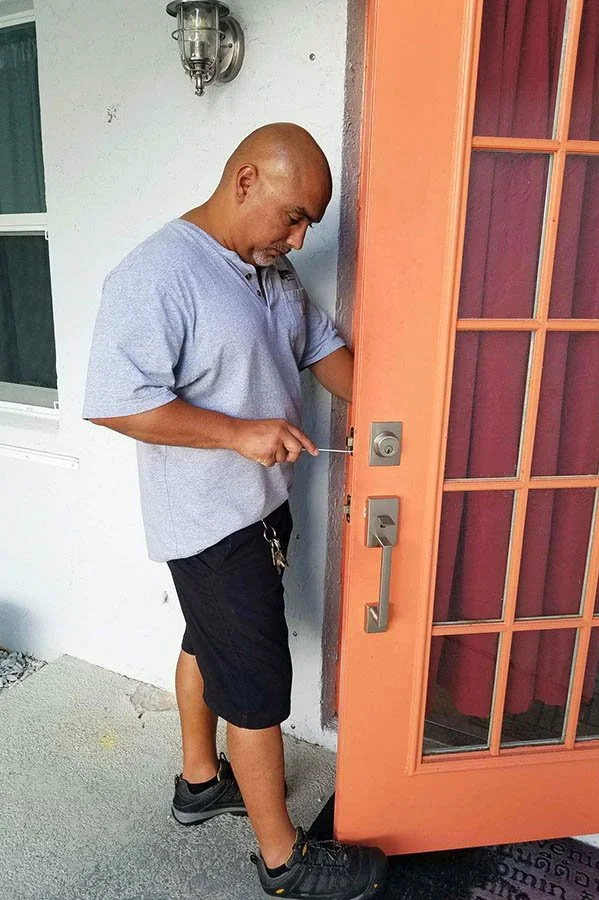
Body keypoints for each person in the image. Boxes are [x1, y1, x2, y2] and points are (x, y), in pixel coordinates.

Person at [82, 122, 388, 899]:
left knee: (206, 640)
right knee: (255, 682)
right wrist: (238, 432)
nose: (298, 236)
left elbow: (328, 357)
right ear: (245, 180)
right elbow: (118, 403)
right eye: (292, 216)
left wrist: (403, 403)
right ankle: (284, 861)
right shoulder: (157, 273)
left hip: (262, 511)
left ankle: (198, 782)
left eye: (311, 225)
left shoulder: (272, 277)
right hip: (208, 524)